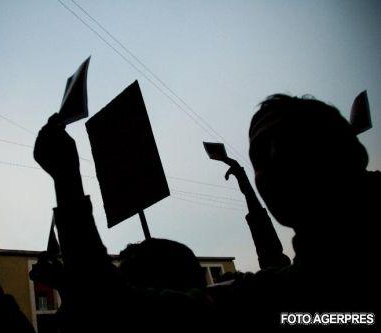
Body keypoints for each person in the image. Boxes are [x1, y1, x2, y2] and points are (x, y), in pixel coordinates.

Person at [209, 94, 380, 328]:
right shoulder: (286, 290)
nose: (273, 159)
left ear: (351, 153)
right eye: (259, 156)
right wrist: (243, 182)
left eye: (288, 141)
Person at [33, 113, 213, 332]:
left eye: (136, 254)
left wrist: (66, 178)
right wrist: (68, 287)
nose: (123, 254)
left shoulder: (189, 314)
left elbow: (107, 297)